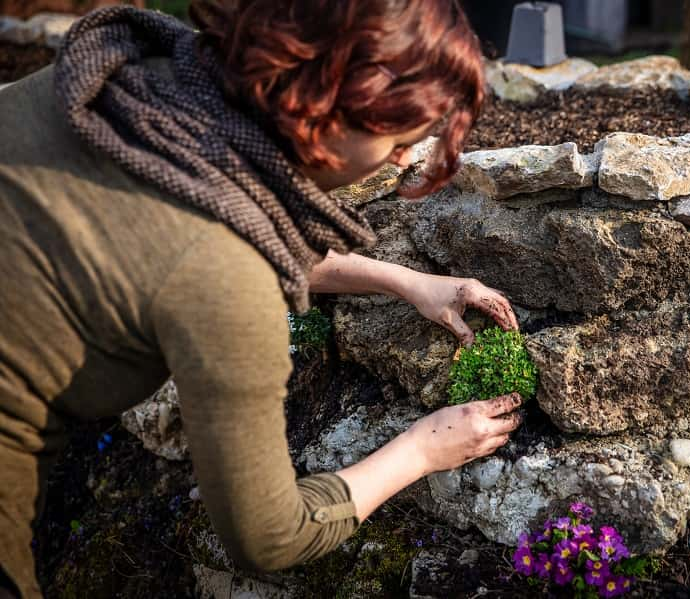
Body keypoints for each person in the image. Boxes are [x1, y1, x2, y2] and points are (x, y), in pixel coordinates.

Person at [0, 1, 525, 597]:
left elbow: (196, 230)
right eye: (399, 140)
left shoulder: (125, 76)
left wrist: (405, 280)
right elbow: (268, 536)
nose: (405, 159)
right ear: (326, 111)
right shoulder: (223, 278)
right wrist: (423, 450)